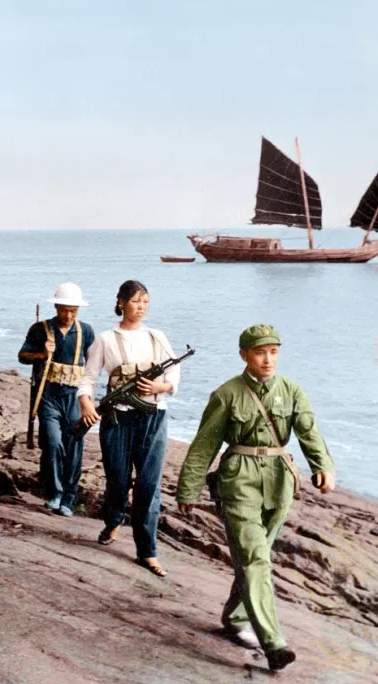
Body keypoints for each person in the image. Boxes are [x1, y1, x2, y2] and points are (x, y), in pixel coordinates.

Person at [177, 324, 335, 673]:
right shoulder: (227, 394)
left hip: (279, 481)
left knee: (255, 556)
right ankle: (274, 643)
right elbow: (205, 444)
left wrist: (322, 465)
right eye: (260, 352)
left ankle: (234, 617)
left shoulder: (291, 389)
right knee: (255, 557)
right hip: (239, 481)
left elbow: (308, 430)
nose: (268, 359)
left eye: (273, 352)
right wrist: (188, 487)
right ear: (244, 355)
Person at [78, 279, 180, 577]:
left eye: (145, 301)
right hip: (117, 419)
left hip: (153, 417)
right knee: (117, 481)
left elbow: (174, 369)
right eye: (136, 301)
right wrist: (85, 403)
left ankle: (147, 551)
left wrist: (162, 385)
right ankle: (113, 521)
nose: (141, 307)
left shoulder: (156, 336)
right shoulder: (105, 339)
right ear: (120, 302)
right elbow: (89, 378)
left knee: (149, 485)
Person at [18, 282, 95, 516]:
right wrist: (43, 353)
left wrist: (90, 400)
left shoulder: (86, 331)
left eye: (74, 310)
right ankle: (54, 493)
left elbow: (92, 367)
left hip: (74, 395)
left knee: (74, 447)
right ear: (57, 307)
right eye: (65, 310)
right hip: (48, 395)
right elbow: (22, 356)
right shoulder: (40, 329)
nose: (69, 315)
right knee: (52, 443)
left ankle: (69, 499)